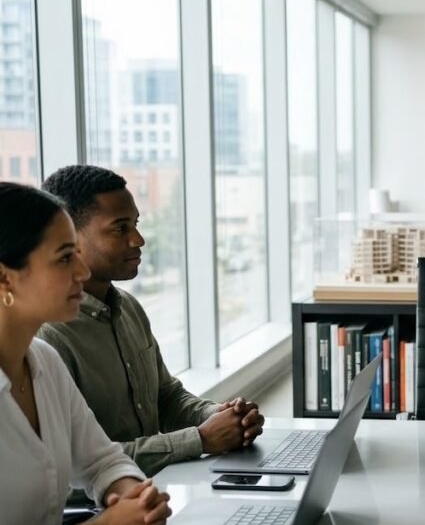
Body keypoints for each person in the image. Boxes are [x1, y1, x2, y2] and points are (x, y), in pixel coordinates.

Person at [38, 166, 264, 477]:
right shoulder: (48, 337)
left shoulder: (128, 307)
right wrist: (200, 439)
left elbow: (166, 397)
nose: (138, 239)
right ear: (69, 237)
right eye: (120, 229)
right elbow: (77, 464)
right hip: (102, 502)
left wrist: (222, 416)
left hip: (156, 487)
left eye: (136, 224)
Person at [0, 182, 172, 525]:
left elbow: (101, 461)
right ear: (5, 278)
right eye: (65, 258)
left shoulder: (43, 360)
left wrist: (133, 497)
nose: (82, 271)